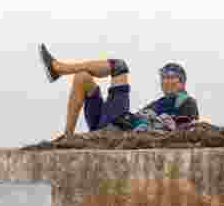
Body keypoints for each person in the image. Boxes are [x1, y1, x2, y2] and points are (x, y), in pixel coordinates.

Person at [38, 44, 199, 140]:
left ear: (182, 82)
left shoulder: (185, 101)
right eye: (164, 77)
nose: (167, 81)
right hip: (108, 126)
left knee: (119, 67)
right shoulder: (157, 103)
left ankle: (59, 68)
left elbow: (185, 131)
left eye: (172, 77)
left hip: (120, 126)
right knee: (82, 78)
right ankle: (68, 137)